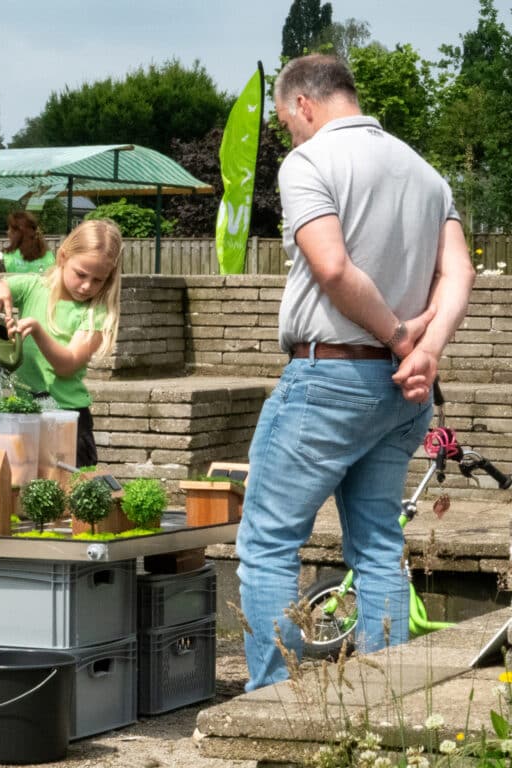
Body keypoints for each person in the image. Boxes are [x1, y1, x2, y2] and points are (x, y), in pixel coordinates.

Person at [236, 54, 475, 691]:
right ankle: (381, 700)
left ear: (303, 105)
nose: (290, 134)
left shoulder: (309, 161)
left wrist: (401, 337)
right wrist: (427, 351)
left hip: (331, 379)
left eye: (287, 122)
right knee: (374, 549)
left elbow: (333, 269)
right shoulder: (425, 173)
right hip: (402, 394)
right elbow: (460, 273)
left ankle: (270, 707)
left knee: (267, 546)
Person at [0, 218, 123, 468]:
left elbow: (67, 365)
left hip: (67, 418)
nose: (86, 286)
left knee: (72, 495)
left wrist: (38, 332)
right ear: (62, 257)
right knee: (20, 489)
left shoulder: (96, 313)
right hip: (23, 413)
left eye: (98, 280)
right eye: (81, 274)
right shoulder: (32, 287)